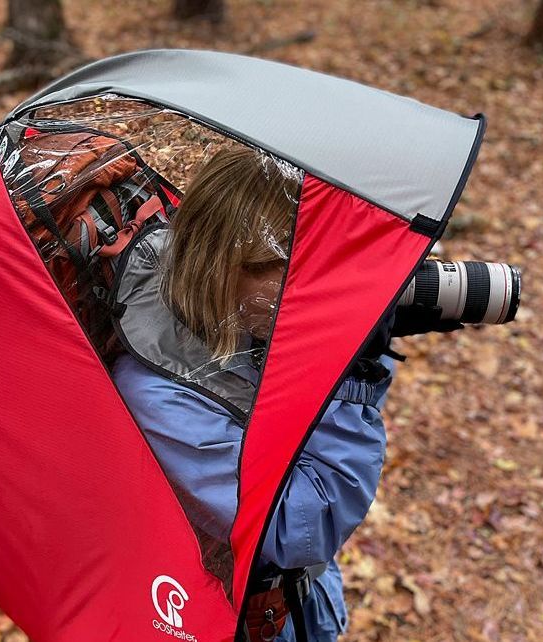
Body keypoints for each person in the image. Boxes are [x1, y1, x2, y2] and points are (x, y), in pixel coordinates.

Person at [110, 146, 394, 642]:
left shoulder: (252, 326)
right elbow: (299, 526)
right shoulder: (156, 396)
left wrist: (362, 333)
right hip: (244, 621)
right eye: (289, 269)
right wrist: (354, 374)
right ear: (222, 265)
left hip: (306, 601)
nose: (311, 289)